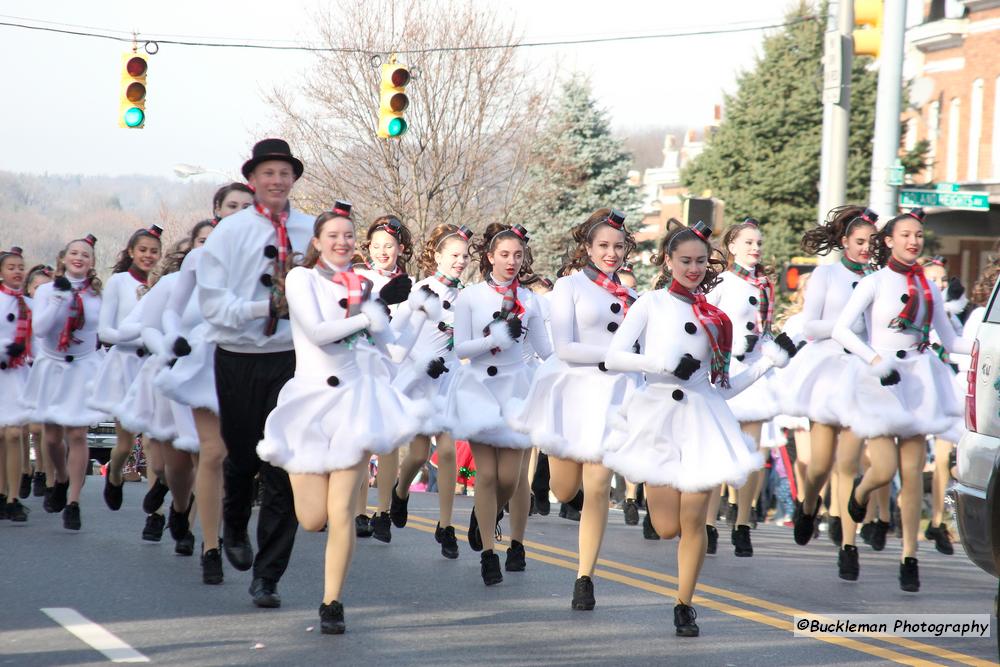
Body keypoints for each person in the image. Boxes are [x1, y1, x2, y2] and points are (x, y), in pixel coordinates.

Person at [603, 220, 795, 637]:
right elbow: (615, 356)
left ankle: (684, 604)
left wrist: (768, 363)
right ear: (668, 261)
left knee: (693, 523)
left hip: (703, 420)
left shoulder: (717, 318)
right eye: (685, 260)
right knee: (667, 525)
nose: (693, 268)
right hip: (656, 417)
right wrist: (662, 365)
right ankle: (681, 587)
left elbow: (724, 389)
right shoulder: (650, 304)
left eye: (700, 262)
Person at [257, 205, 425, 634]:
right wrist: (367, 317)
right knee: (312, 517)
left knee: (343, 511)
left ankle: (332, 601)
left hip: (353, 403)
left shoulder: (366, 287)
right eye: (333, 235)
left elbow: (394, 352)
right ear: (317, 241)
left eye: (349, 236)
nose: (342, 242)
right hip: (309, 405)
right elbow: (316, 331)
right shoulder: (302, 279)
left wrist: (415, 314)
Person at [197, 138, 312, 608]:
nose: (277, 181)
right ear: (253, 179)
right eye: (269, 173)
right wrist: (262, 306)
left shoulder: (310, 228)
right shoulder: (230, 231)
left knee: (283, 465)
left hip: (291, 357)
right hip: (238, 355)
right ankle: (233, 521)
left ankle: (269, 575)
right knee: (243, 458)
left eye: (284, 173)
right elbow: (211, 305)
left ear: (293, 179)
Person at [833, 209, 971, 592]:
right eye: (906, 234)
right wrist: (876, 361)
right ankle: (860, 499)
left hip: (919, 380)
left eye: (918, 236)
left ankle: (909, 556)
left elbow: (950, 338)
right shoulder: (874, 282)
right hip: (880, 381)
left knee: (911, 474)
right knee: (883, 468)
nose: (913, 241)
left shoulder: (927, 286)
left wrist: (985, 347)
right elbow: (842, 330)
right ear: (889, 240)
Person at [510, 208, 641, 609]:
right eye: (603, 245)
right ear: (587, 247)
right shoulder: (568, 287)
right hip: (572, 391)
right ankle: (557, 489)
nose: (611, 253)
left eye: (618, 247)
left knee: (599, 486)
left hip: (614, 394)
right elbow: (565, 347)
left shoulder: (635, 296)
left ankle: (585, 576)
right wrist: (615, 356)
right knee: (566, 489)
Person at [443, 222, 552, 585]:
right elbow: (461, 347)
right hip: (479, 388)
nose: (511, 261)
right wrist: (495, 338)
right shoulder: (470, 297)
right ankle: (489, 554)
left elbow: (544, 350)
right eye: (504, 254)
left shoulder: (531, 301)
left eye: (517, 255)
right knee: (486, 475)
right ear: (489, 257)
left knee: (510, 478)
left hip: (517, 390)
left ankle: (484, 515)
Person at [780, 206, 879, 581]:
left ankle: (848, 545)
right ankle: (808, 505)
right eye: (859, 242)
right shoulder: (826, 274)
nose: (866, 248)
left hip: (862, 373)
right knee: (819, 464)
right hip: (828, 369)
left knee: (848, 464)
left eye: (871, 242)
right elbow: (810, 326)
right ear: (843, 242)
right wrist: (843, 330)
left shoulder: (880, 278)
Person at [157, 194, 250, 584]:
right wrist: (174, 337)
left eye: (247, 207)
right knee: (210, 452)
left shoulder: (268, 253)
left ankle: (232, 527)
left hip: (251, 360)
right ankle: (210, 545)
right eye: (231, 206)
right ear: (217, 212)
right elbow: (172, 309)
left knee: (240, 456)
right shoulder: (198, 259)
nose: (239, 213)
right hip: (206, 358)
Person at [390, 222, 473, 559]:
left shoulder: (466, 295)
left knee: (449, 451)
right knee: (420, 455)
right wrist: (424, 362)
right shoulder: (422, 289)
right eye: (454, 255)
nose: (460, 261)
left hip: (450, 378)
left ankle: (446, 525)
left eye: (465, 256)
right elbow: (399, 338)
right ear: (437, 255)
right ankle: (400, 491)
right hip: (420, 379)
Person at [707, 218, 781, 557]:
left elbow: (765, 328)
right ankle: (708, 522)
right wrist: (729, 344)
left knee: (752, 453)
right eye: (748, 242)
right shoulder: (721, 281)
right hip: (724, 370)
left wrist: (767, 346)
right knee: (718, 448)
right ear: (732, 246)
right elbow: (705, 321)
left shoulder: (765, 285)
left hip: (753, 374)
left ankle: (742, 523)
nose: (755, 248)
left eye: (758, 243)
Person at [21, 235, 106, 530]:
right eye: (74, 253)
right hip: (52, 366)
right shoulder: (46, 291)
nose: (79, 257)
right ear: (64, 258)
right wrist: (59, 298)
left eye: (85, 254)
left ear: (92, 262)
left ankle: (74, 501)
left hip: (82, 367)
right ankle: (60, 475)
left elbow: (102, 330)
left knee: (78, 435)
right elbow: (42, 330)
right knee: (53, 437)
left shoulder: (96, 295)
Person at [97, 225, 164, 527]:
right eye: (143, 250)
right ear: (132, 252)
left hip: (152, 366)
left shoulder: (163, 284)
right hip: (124, 365)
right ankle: (114, 474)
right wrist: (140, 335)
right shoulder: (119, 283)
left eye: (154, 251)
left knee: (151, 442)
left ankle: (154, 513)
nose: (149, 256)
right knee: (125, 444)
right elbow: (105, 331)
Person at [354, 215, 414, 543]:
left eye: (389, 246)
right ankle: (359, 511)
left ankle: (383, 511)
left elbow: (407, 330)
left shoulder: (411, 283)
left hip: (393, 366)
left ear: (400, 248)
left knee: (389, 442)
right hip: (362, 365)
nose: (382, 251)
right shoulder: (359, 278)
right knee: (364, 440)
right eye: (376, 246)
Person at [0, 247, 33, 522]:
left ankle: (13, 498)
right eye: (11, 267)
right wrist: (5, 349)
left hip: (17, 375)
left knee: (13, 434)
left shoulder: (29, 304)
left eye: (20, 267)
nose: (17, 271)